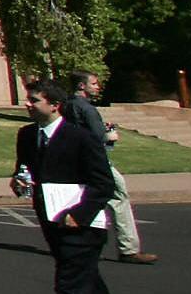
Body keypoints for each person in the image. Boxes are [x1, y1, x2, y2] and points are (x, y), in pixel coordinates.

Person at [12, 78, 139, 294]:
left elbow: (103, 184)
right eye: (28, 99)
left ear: (55, 105)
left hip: (83, 226)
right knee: (89, 286)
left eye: (35, 100)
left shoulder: (80, 138)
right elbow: (26, 171)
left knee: (70, 285)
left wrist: (79, 213)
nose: (28, 104)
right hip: (52, 222)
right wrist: (19, 182)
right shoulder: (27, 136)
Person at [66, 71, 158, 264]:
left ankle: (79, 243)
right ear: (82, 86)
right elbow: (98, 137)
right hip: (96, 162)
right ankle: (128, 249)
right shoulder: (87, 109)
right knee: (118, 196)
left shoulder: (66, 106)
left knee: (88, 199)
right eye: (94, 83)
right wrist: (110, 136)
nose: (97, 86)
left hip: (75, 161)